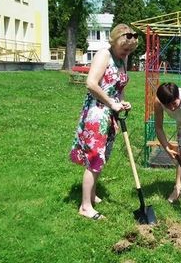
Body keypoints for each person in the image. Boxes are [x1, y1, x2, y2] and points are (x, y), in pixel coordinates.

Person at [70, 23, 138, 220]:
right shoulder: (103, 55)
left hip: (109, 113)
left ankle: (91, 195)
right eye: (124, 48)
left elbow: (119, 85)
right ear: (114, 40)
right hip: (97, 113)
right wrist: (111, 103)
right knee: (94, 159)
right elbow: (91, 83)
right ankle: (85, 207)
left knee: (102, 158)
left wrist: (121, 103)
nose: (126, 52)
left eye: (130, 50)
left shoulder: (122, 58)